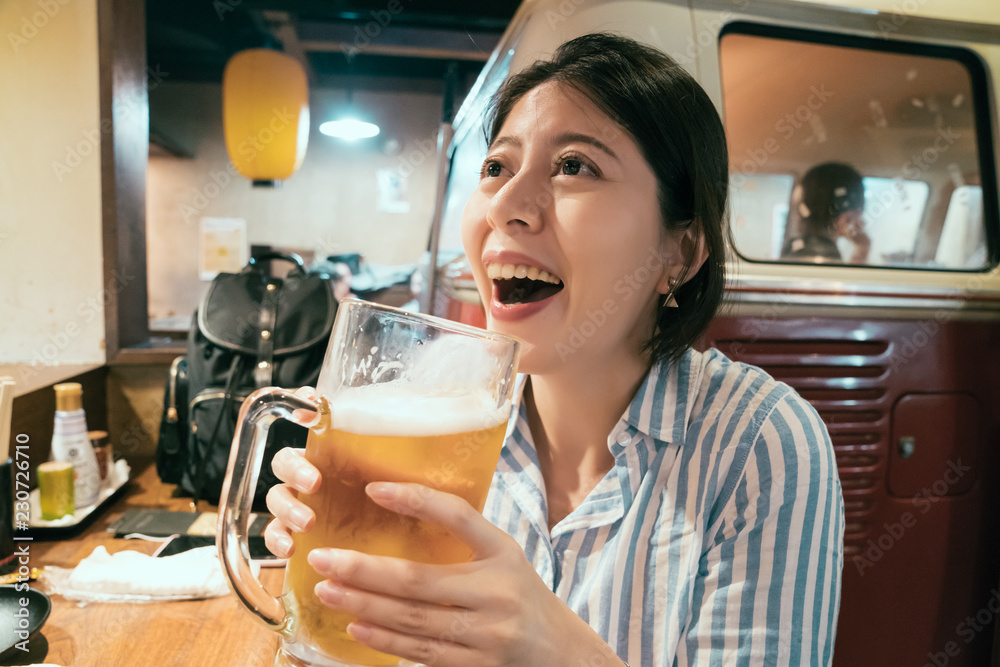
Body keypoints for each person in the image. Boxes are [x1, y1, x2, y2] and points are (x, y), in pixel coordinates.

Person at [265, 33, 844, 666]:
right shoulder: (437, 395)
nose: (508, 206)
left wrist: (555, 651)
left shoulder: (757, 442)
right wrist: (330, 572)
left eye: (575, 166)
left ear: (678, 254)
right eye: (496, 167)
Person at [781, 162, 871, 264]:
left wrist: (863, 247)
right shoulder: (824, 255)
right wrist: (863, 248)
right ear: (847, 215)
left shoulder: (798, 249)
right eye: (858, 212)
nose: (862, 221)